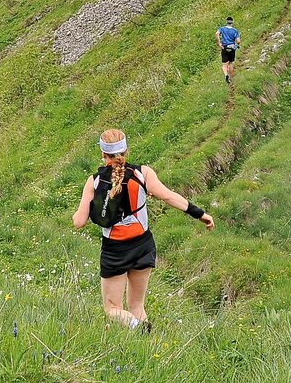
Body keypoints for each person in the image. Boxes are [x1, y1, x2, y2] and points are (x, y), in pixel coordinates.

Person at [72, 129, 215, 330]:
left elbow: (79, 222)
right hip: (143, 245)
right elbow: (168, 196)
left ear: (103, 154)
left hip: (115, 250)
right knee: (137, 305)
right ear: (126, 150)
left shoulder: (94, 181)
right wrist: (200, 214)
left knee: (112, 308)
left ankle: (136, 327)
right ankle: (146, 339)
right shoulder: (142, 173)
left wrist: (76, 215)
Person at [216, 17, 241, 84]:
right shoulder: (235, 30)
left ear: (226, 22)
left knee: (224, 64)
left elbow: (217, 33)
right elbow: (238, 41)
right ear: (232, 22)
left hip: (225, 48)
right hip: (232, 48)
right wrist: (236, 46)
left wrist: (219, 43)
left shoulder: (222, 29)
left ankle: (226, 75)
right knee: (230, 63)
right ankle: (230, 78)